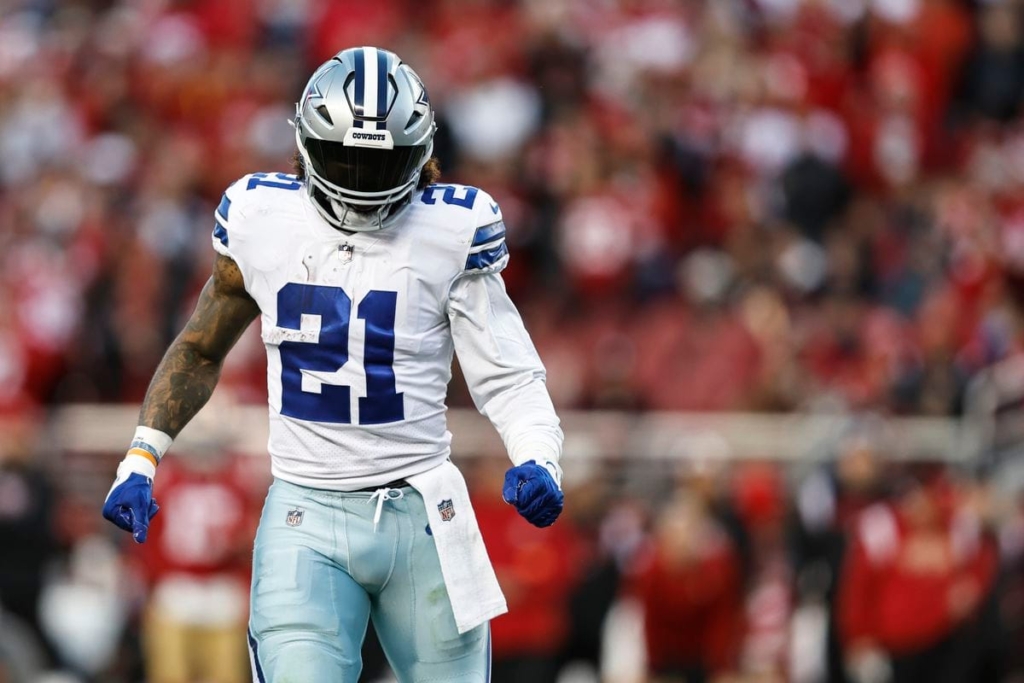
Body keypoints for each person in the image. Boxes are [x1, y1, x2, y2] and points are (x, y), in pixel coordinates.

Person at [102, 46, 565, 682]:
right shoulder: (264, 220)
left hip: (423, 514)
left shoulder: (451, 231)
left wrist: (539, 455)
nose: (363, 179)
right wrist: (141, 457)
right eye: (347, 157)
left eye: (382, 162)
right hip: (306, 513)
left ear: (422, 151)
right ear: (306, 145)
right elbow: (200, 347)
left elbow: (507, 373)